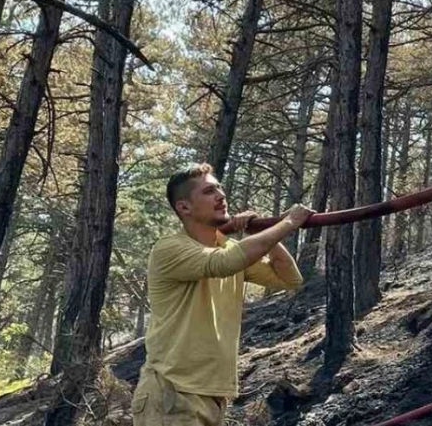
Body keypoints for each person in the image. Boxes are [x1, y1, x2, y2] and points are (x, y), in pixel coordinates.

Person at [131, 163, 313, 426]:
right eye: (208, 191)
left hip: (213, 397)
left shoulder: (230, 249)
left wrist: (263, 232)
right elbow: (222, 263)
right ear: (184, 207)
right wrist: (289, 222)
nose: (220, 195)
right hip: (172, 393)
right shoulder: (170, 249)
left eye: (219, 187)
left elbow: (289, 278)